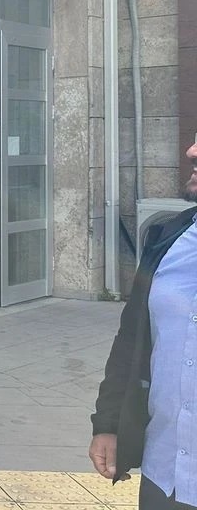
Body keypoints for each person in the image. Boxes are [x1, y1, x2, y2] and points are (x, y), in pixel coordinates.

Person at [90, 138, 197, 509]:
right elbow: (131, 339)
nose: (191, 151)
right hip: (165, 476)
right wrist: (108, 423)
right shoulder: (168, 237)